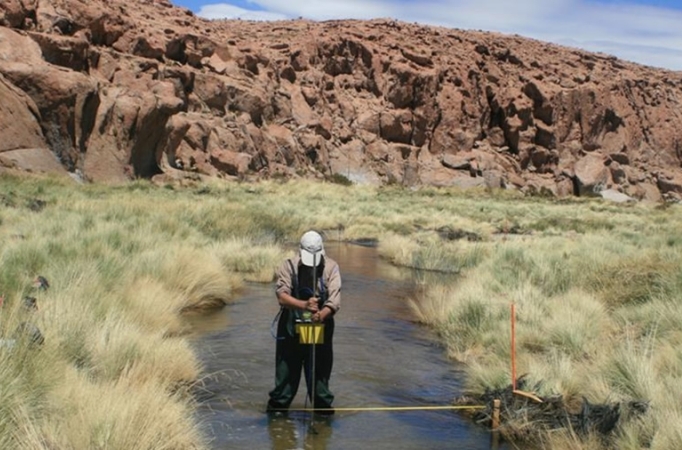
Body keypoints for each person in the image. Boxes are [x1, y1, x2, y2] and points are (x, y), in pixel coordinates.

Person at [267, 230, 341, 415]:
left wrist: (321, 314)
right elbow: (282, 296)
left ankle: (323, 421)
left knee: (319, 383)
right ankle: (277, 420)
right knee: (284, 382)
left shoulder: (332, 267)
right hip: (291, 330)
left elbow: (334, 300)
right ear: (300, 251)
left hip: (320, 329)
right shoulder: (288, 266)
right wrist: (304, 305)